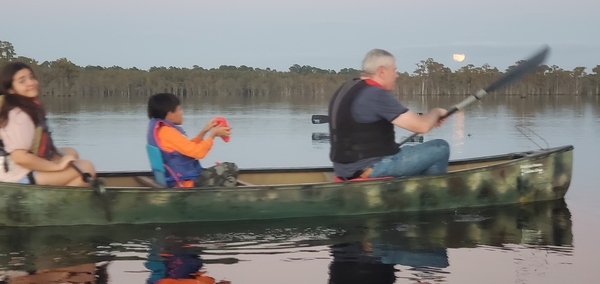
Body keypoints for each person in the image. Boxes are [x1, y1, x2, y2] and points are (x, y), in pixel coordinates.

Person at [328, 49, 450, 180]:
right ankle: (430, 195)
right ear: (381, 71)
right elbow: (422, 127)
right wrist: (436, 112)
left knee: (408, 149)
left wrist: (430, 119)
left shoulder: (346, 88)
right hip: (370, 168)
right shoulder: (375, 94)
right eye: (394, 70)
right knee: (440, 147)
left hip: (344, 169)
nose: (396, 75)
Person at [0, 61, 96, 186]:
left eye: (31, 77)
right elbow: (20, 157)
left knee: (71, 152)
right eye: (22, 81)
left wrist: (60, 161)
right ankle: (57, 203)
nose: (31, 83)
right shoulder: (18, 115)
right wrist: (55, 166)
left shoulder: (26, 107)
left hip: (18, 169)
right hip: (14, 177)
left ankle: (59, 196)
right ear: (11, 90)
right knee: (86, 167)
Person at [146, 92, 238, 188]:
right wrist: (213, 135)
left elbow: (188, 148)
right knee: (231, 168)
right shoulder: (168, 133)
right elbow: (198, 153)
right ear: (170, 114)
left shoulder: (160, 130)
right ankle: (222, 199)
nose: (182, 113)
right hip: (185, 183)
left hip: (172, 180)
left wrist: (204, 131)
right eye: (180, 109)